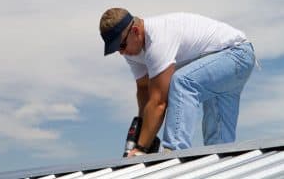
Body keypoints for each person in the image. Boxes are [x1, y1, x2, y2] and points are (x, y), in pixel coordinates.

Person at [99, 8, 255, 157]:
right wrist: (141, 132)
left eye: (121, 45)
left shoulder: (158, 39)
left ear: (135, 32)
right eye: (116, 49)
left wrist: (141, 148)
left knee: (182, 82)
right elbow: (144, 90)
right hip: (221, 62)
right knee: (218, 149)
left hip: (237, 54)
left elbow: (159, 102)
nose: (121, 52)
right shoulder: (132, 52)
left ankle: (174, 151)